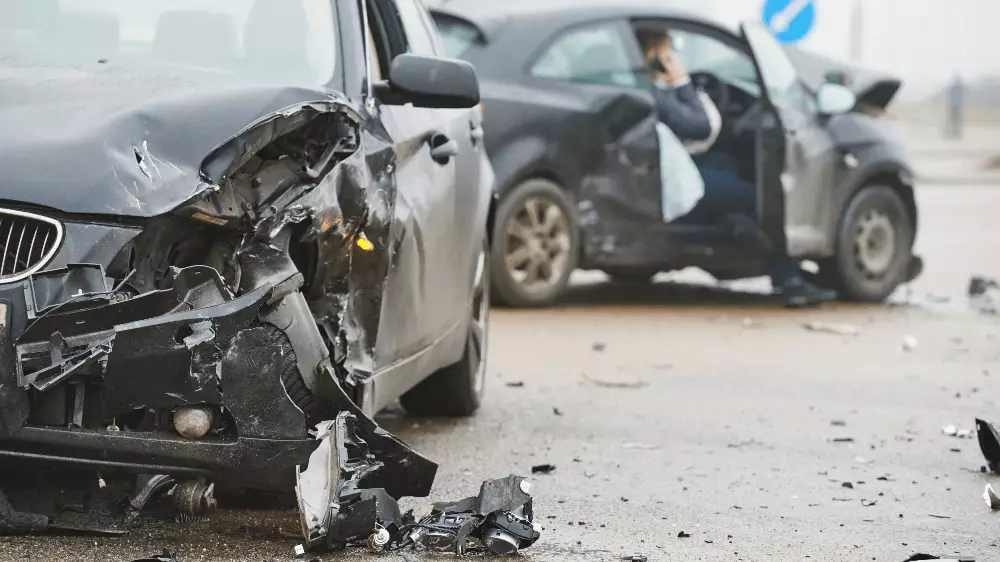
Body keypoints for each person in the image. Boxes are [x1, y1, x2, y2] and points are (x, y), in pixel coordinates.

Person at [636, 28, 837, 308]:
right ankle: (788, 279)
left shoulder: (641, 89)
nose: (673, 59)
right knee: (756, 198)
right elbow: (699, 126)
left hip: (667, 169)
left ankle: (735, 226)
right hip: (670, 181)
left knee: (725, 163)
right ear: (653, 56)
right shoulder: (655, 94)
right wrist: (683, 82)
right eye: (667, 54)